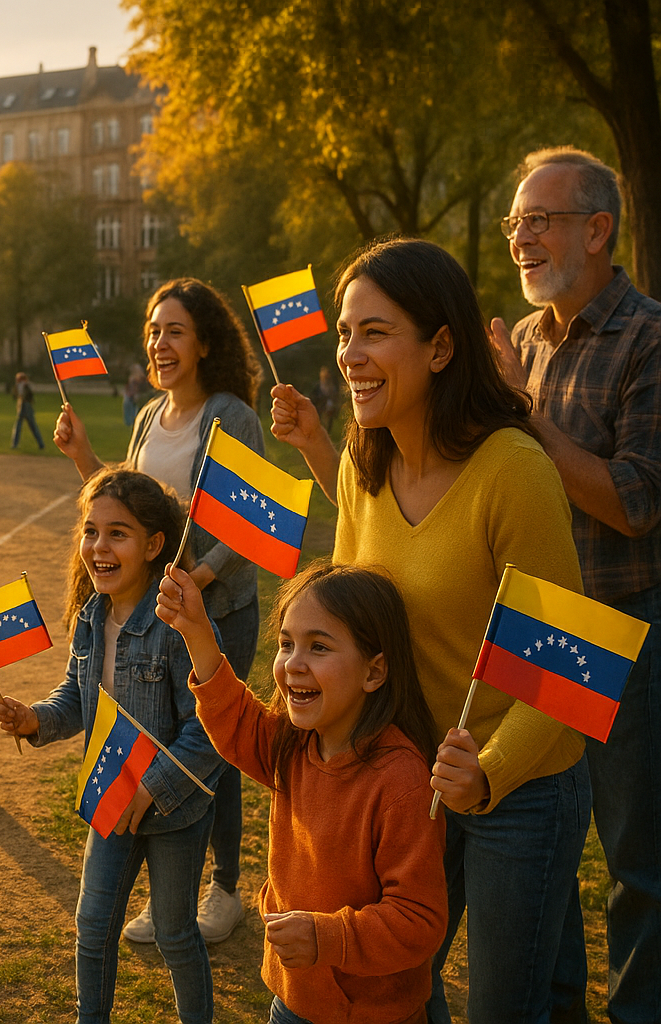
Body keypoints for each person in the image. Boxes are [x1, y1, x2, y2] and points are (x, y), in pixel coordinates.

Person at [270, 237, 590, 1024]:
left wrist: (488, 769)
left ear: (441, 346)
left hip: (521, 784)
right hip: (405, 778)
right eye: (345, 333)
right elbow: (346, 627)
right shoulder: (358, 461)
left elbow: (573, 670)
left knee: (503, 1009)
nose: (351, 355)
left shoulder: (513, 470)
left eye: (374, 332)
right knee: (394, 990)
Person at [489, 147, 661, 1024]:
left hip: (625, 625)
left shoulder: (651, 338)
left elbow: (635, 503)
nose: (521, 238)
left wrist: (528, 415)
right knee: (543, 839)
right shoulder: (522, 340)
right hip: (540, 624)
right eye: (516, 222)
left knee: (637, 860)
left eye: (539, 220)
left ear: (597, 230)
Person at [54, 278, 263, 946]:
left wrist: (195, 579)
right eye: (152, 330)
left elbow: (249, 520)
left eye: (174, 330)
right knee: (157, 737)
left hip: (217, 607)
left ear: (204, 342)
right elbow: (134, 505)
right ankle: (169, 893)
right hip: (157, 608)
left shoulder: (232, 414)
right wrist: (82, 457)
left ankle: (223, 889)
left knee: (216, 744)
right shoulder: (147, 416)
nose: (160, 342)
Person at [158, 561, 447, 1024]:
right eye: (286, 644)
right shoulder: (293, 744)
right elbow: (235, 720)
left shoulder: (401, 781)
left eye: (318, 647)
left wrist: (326, 938)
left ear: (374, 672)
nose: (293, 663)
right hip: (292, 1001)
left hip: (374, 1014)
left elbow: (419, 918)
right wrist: (195, 630)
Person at [0, 468, 224, 1024]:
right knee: (93, 929)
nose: (99, 546)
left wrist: (154, 786)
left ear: (154, 546)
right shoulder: (91, 617)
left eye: (117, 533)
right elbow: (76, 697)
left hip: (175, 810)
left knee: (173, 935)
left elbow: (208, 730)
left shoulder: (178, 625)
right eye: (91, 531)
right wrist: (34, 720)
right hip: (111, 799)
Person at [11, 371, 44, 449]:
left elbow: (25, 395)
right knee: (29, 426)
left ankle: (41, 444)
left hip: (26, 406)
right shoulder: (22, 385)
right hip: (24, 406)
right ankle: (41, 444)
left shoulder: (25, 385)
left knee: (28, 426)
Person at [314, 366, 340, 432]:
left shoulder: (333, 386)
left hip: (330, 409)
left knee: (328, 424)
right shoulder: (317, 386)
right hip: (321, 409)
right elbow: (314, 398)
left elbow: (336, 397)